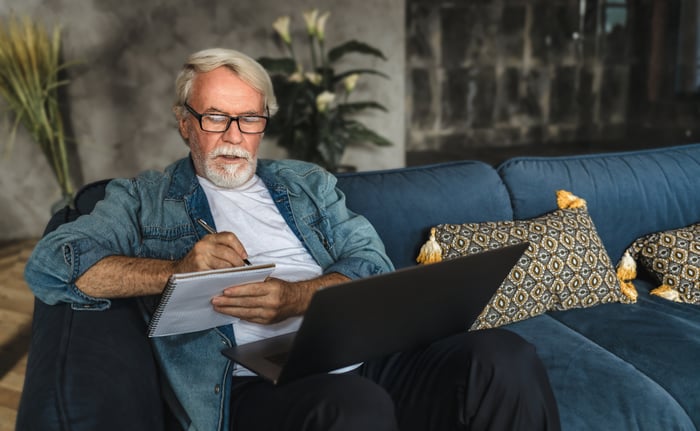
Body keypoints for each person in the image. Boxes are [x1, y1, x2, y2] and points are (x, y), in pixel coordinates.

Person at [25, 48, 560, 431]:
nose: (234, 136)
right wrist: (176, 272)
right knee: (351, 406)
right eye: (216, 117)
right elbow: (52, 265)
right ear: (185, 123)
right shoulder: (143, 198)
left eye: (249, 119)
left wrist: (296, 298)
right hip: (255, 382)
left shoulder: (307, 183)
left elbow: (371, 261)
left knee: (502, 356)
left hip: (362, 347)